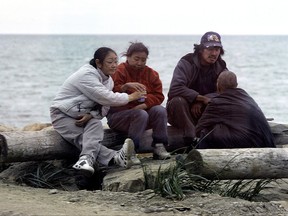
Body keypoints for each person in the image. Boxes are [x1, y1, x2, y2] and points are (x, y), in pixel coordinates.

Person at [50, 47, 145, 176]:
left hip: (80, 116)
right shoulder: (86, 74)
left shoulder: (109, 81)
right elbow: (105, 97)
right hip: (62, 114)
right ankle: (109, 158)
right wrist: (130, 97)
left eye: (116, 62)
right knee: (83, 138)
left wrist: (92, 115)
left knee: (95, 124)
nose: (114, 65)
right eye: (110, 62)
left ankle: (87, 160)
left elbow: (105, 105)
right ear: (98, 63)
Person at [107, 42, 171, 162]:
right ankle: (131, 152)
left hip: (143, 116)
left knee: (160, 110)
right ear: (128, 56)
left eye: (143, 60)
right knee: (140, 114)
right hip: (119, 117)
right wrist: (125, 87)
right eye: (136, 59)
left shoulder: (151, 74)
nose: (140, 63)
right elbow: (107, 93)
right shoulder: (119, 71)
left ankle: (159, 146)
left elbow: (158, 95)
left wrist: (144, 104)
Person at [166, 31, 228, 148]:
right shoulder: (186, 62)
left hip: (203, 111)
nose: (214, 53)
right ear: (201, 49)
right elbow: (175, 88)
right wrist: (197, 97)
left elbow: (227, 91)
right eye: (210, 49)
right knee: (178, 101)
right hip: (181, 112)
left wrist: (203, 100)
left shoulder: (221, 65)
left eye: (217, 49)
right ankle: (191, 138)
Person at [195, 70, 275, 148]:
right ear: (236, 85)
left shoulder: (217, 103)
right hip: (265, 142)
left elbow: (199, 130)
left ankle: (204, 158)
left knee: (208, 132)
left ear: (218, 85)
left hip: (250, 143)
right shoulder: (246, 96)